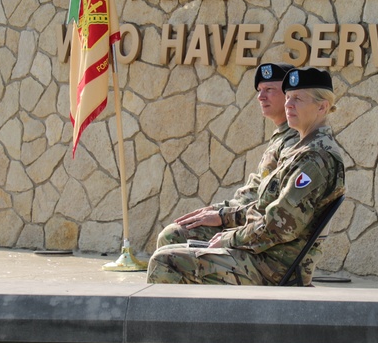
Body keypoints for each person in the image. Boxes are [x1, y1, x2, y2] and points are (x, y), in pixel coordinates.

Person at [147, 67, 345, 286]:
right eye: (288, 97)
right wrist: (225, 216)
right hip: (263, 254)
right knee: (171, 245)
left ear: (322, 106)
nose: (288, 104)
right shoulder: (301, 149)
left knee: (166, 262)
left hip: (274, 266)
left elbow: (279, 225)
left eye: (297, 98)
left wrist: (229, 238)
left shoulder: (314, 158)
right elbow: (264, 207)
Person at [156, 62, 298, 248]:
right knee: (177, 231)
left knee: (172, 238)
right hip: (246, 221)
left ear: (289, 95)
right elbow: (255, 190)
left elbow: (270, 203)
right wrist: (218, 209)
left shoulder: (294, 141)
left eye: (269, 89)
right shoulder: (281, 135)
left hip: (259, 235)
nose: (261, 97)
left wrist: (223, 216)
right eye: (259, 90)